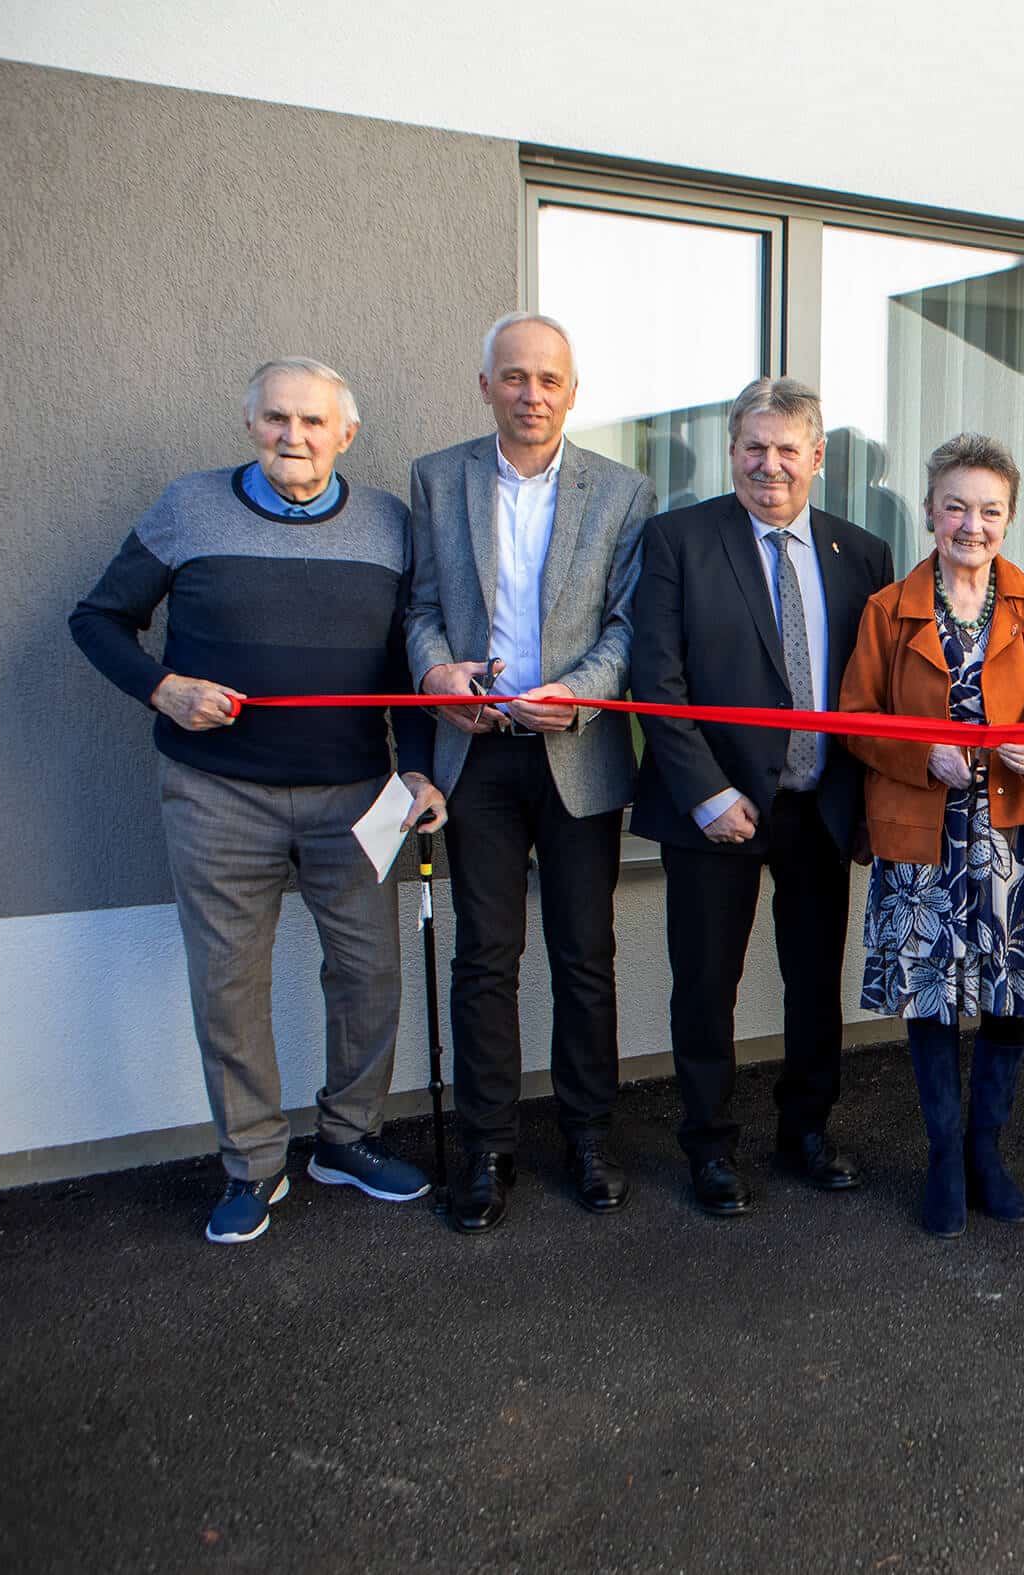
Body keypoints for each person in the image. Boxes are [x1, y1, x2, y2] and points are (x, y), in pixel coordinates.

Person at [69, 358, 442, 1243]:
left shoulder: (390, 523)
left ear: (345, 434)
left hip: (355, 795)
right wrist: (162, 690)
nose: (294, 437)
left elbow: (408, 668)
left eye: (314, 423)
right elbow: (96, 619)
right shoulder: (187, 508)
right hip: (216, 794)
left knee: (369, 975)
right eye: (277, 418)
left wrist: (421, 770)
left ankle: (346, 1139)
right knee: (229, 984)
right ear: (250, 426)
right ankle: (253, 1165)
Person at [405, 312, 656, 1233]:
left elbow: (630, 625)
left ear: (573, 391)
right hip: (474, 755)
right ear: (485, 387)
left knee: (586, 956)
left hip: (575, 752)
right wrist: (438, 675)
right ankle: (488, 1145)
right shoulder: (437, 479)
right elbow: (422, 607)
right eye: (513, 377)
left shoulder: (623, 491)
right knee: (485, 958)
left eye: (549, 379)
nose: (531, 394)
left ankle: (590, 1134)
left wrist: (582, 694)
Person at [628, 378, 894, 1216]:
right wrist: (706, 790)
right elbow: (655, 680)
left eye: (788, 449)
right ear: (731, 451)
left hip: (820, 805)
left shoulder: (863, 551)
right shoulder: (678, 539)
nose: (769, 464)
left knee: (816, 980)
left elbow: (873, 685)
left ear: (818, 457)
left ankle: (807, 1130)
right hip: (718, 810)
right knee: (707, 982)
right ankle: (708, 1144)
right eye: (754, 446)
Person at [839, 434, 1024, 1237]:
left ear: (1008, 518)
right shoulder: (887, 608)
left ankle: (987, 1152)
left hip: (1014, 838)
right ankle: (943, 1156)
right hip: (921, 837)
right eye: (955, 507)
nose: (971, 525)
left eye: (989, 510)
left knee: (1011, 999)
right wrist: (919, 751)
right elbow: (853, 722)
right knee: (932, 998)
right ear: (929, 509)